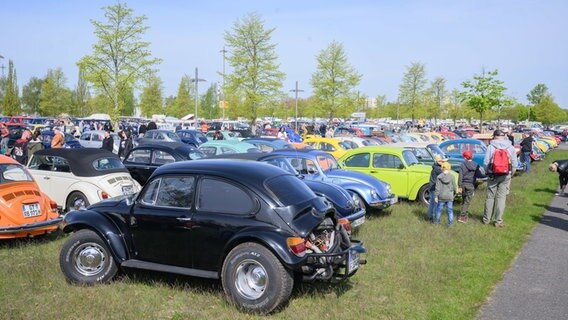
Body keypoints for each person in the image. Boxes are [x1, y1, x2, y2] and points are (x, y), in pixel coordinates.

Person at [482, 129, 517, 228]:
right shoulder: (510, 147)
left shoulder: (491, 147)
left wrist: (487, 171)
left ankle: (486, 219)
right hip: (506, 175)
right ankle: (498, 221)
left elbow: (486, 162)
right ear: (503, 136)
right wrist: (511, 173)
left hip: (493, 175)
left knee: (490, 197)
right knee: (501, 198)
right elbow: (514, 163)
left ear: (494, 136)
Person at [457, 150, 480, 223]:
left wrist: (459, 186)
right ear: (471, 156)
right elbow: (479, 174)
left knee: (464, 200)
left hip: (463, 185)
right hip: (471, 185)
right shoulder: (476, 165)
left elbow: (460, 176)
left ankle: (464, 215)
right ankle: (462, 216)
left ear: (465, 157)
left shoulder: (462, 165)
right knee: (467, 202)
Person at [434, 162, 457, 226]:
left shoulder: (439, 177)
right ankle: (450, 224)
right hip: (449, 196)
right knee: (450, 211)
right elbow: (454, 187)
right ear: (449, 168)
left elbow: (437, 187)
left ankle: (436, 223)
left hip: (441, 196)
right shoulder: (452, 177)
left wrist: (436, 196)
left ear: (442, 168)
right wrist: (455, 193)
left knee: (439, 210)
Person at [427, 155, 447, 221]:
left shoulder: (435, 166)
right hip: (435, 188)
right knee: (436, 204)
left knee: (432, 203)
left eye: (442, 161)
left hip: (432, 187)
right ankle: (435, 218)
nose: (442, 162)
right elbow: (445, 174)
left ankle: (429, 216)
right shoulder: (438, 169)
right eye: (440, 161)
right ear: (437, 161)